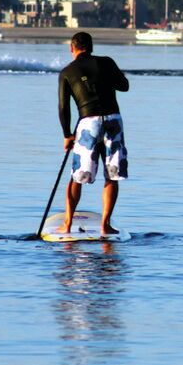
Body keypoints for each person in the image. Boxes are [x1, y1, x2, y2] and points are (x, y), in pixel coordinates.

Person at [57, 31, 130, 235]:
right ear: (91, 47)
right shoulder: (107, 62)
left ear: (72, 48)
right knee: (111, 176)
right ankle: (105, 225)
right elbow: (124, 86)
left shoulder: (67, 72)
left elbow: (64, 108)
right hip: (113, 120)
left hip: (88, 123)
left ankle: (67, 224)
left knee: (77, 177)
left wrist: (67, 135)